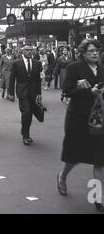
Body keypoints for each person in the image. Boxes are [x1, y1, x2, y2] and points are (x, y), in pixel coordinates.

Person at [57, 39, 104, 212]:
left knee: (99, 160)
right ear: (83, 53)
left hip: (98, 119)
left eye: (96, 51)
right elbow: (67, 91)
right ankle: (62, 176)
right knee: (73, 156)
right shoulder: (74, 68)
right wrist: (87, 90)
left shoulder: (102, 68)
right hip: (77, 118)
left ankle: (97, 197)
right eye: (91, 51)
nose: (94, 53)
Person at [8, 44, 42, 146]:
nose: (29, 52)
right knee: (26, 112)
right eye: (27, 50)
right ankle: (26, 136)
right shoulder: (16, 63)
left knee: (30, 114)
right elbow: (12, 79)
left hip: (33, 92)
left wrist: (39, 93)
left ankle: (24, 130)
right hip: (22, 91)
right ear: (22, 51)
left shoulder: (37, 63)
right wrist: (11, 93)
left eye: (31, 50)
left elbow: (38, 80)